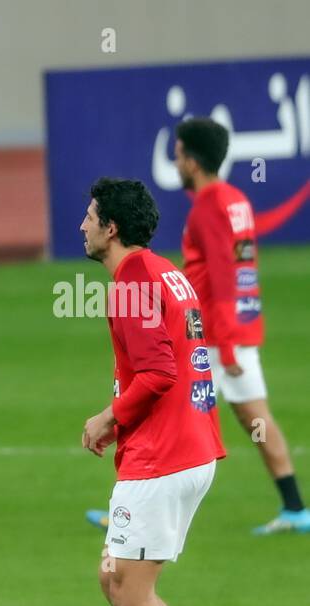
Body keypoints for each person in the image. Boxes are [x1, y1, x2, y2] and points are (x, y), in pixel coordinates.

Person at [86, 117, 308, 534]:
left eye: (177, 153)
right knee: (252, 418)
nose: (175, 160)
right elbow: (241, 267)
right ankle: (294, 506)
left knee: (157, 405)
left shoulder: (208, 208)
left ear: (190, 159)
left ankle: (129, 510)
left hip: (211, 335)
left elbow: (223, 275)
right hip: (230, 330)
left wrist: (223, 345)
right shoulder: (235, 200)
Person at [79, 177, 233, 606]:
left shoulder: (133, 281)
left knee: (127, 588)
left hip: (163, 456)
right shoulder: (163, 271)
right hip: (191, 447)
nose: (83, 225)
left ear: (111, 227)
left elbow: (158, 371)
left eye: (91, 216)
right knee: (119, 580)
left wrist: (107, 417)